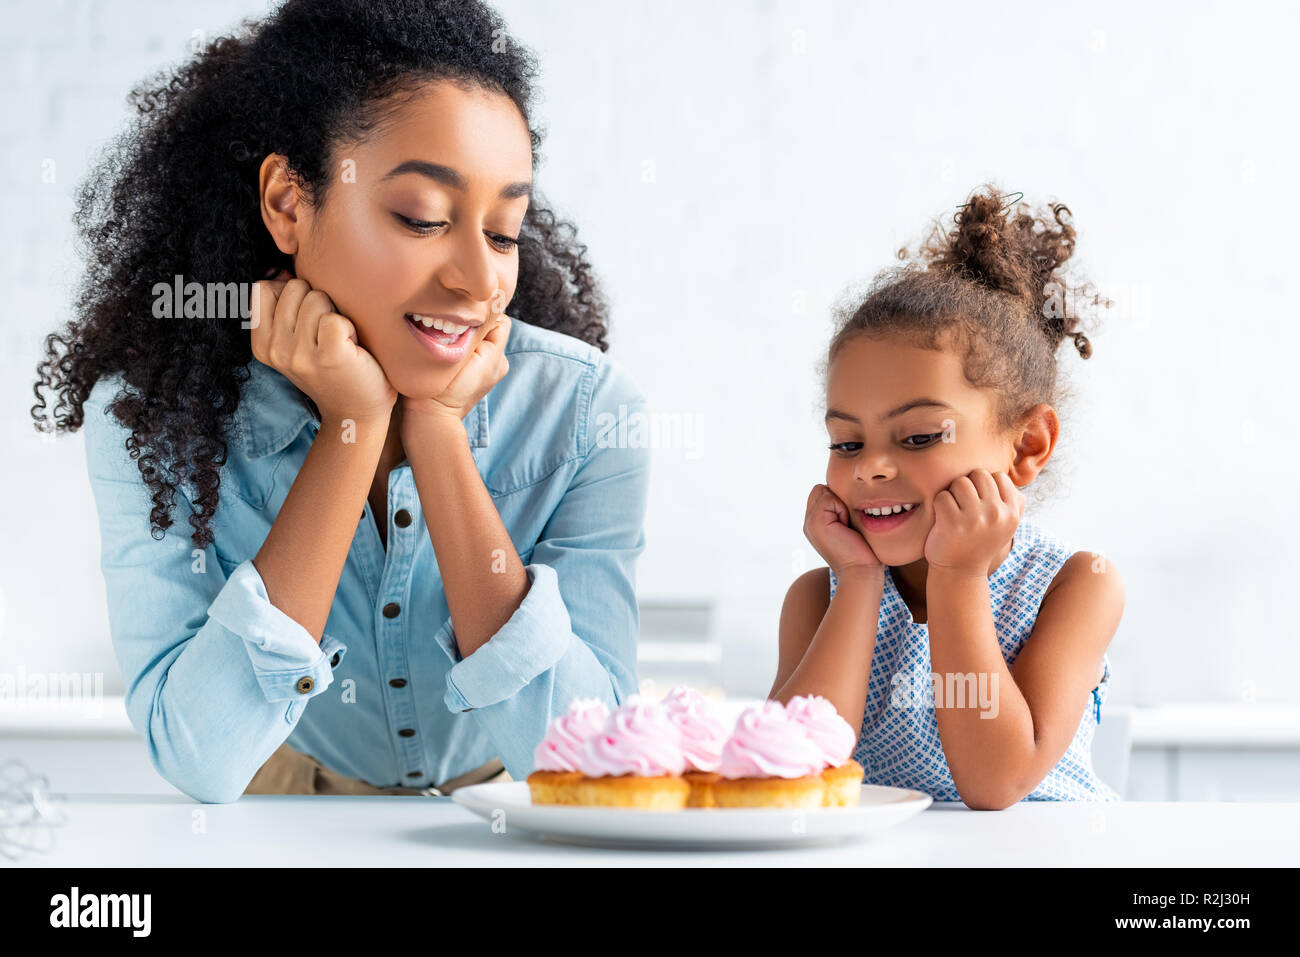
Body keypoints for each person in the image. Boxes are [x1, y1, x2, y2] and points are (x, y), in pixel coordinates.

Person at [31, 0, 649, 803]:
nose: (478, 278)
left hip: (506, 826)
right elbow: (201, 757)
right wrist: (351, 430)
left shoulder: (590, 413)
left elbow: (585, 762)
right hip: (290, 823)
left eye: (503, 232)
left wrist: (436, 436)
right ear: (289, 203)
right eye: (422, 218)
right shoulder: (151, 419)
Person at [770, 184, 1124, 809]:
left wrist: (957, 576)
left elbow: (995, 784)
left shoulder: (1076, 586)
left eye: (919, 436)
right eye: (847, 443)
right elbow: (784, 774)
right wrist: (856, 580)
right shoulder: (816, 600)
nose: (872, 468)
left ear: (1027, 446)